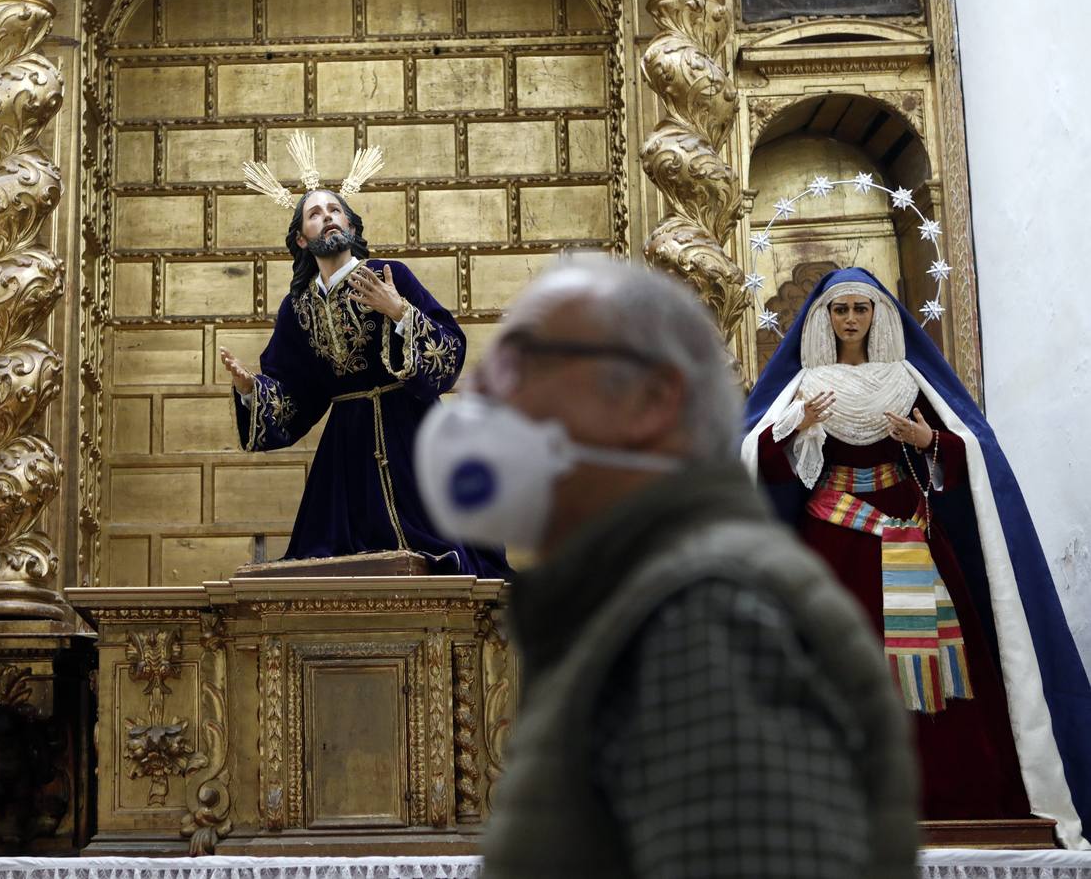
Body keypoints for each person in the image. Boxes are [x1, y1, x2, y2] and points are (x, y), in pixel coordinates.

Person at [415, 256, 916, 878]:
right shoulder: (642, 598)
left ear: (651, 399)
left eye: (522, 361)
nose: (482, 395)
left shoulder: (707, 614)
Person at [743, 266, 1091, 844]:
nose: (850, 319)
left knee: (931, 661)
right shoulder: (806, 385)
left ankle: (945, 787)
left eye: (860, 309)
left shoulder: (906, 379)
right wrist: (793, 427)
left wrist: (926, 440)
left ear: (877, 315)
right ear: (823, 318)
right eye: (840, 310)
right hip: (834, 537)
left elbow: (964, 453)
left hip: (908, 531)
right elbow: (768, 468)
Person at [220, 187, 506, 577]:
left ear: (350, 225)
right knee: (339, 559)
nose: (328, 216)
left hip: (411, 431)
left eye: (335, 210)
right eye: (316, 213)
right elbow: (297, 393)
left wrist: (400, 310)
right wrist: (252, 391)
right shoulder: (298, 307)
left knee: (433, 546)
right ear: (302, 239)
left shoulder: (390, 275)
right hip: (347, 447)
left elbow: (450, 348)